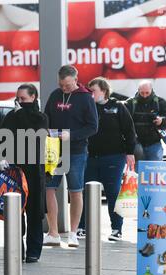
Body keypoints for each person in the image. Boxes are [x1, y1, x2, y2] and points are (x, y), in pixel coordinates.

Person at [43, 65, 98, 248]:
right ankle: (53, 232)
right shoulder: (55, 95)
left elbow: (93, 126)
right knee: (49, 188)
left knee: (75, 190)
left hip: (76, 150)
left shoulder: (85, 98)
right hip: (54, 150)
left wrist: (72, 135)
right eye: (61, 84)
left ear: (75, 79)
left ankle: (73, 233)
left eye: (67, 85)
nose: (64, 88)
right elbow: (46, 118)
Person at [77, 77, 136, 241]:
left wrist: (130, 152)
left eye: (94, 91)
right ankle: (83, 227)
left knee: (113, 193)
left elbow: (129, 131)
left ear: (103, 91)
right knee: (85, 193)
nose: (91, 94)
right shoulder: (88, 108)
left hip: (113, 157)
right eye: (89, 91)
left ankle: (116, 229)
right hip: (89, 157)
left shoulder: (118, 107)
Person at [0, 84, 49, 263]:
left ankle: (34, 251)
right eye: (17, 99)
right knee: (15, 211)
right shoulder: (12, 115)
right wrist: (0, 157)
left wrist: (20, 114)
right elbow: (1, 137)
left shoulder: (41, 117)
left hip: (34, 170)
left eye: (23, 99)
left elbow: (33, 134)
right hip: (14, 169)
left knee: (34, 212)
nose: (19, 102)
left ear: (33, 98)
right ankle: (17, 249)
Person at [125, 80, 166, 162]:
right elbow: (123, 122)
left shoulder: (160, 102)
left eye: (147, 93)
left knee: (154, 172)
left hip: (154, 144)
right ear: (138, 90)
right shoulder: (130, 103)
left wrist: (162, 120)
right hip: (136, 144)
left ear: (151, 90)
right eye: (142, 93)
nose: (144, 96)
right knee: (137, 173)